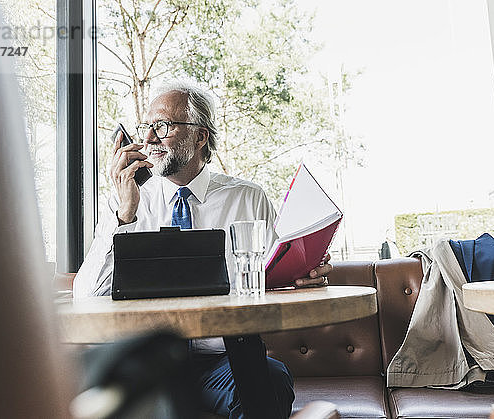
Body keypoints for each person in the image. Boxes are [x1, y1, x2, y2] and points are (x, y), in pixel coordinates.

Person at [73, 81, 333, 418]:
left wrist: (308, 273)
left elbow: (275, 275)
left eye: (162, 126)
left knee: (270, 378)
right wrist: (123, 215)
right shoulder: (128, 202)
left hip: (224, 360)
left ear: (200, 137)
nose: (149, 138)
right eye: (146, 127)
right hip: (154, 362)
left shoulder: (246, 198)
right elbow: (87, 294)